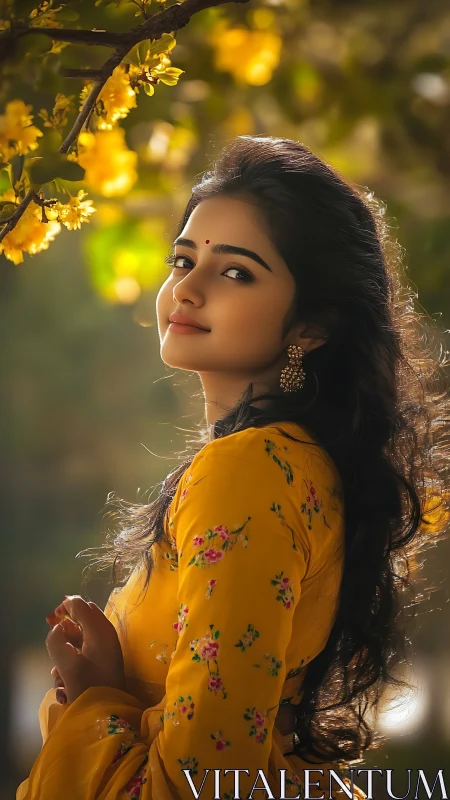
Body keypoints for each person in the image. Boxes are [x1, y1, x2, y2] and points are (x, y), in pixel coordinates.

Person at [17, 135, 449, 800]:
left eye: (236, 271)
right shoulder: (290, 461)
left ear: (311, 326)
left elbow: (201, 784)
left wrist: (97, 701)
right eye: (183, 259)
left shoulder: (248, 470)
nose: (186, 288)